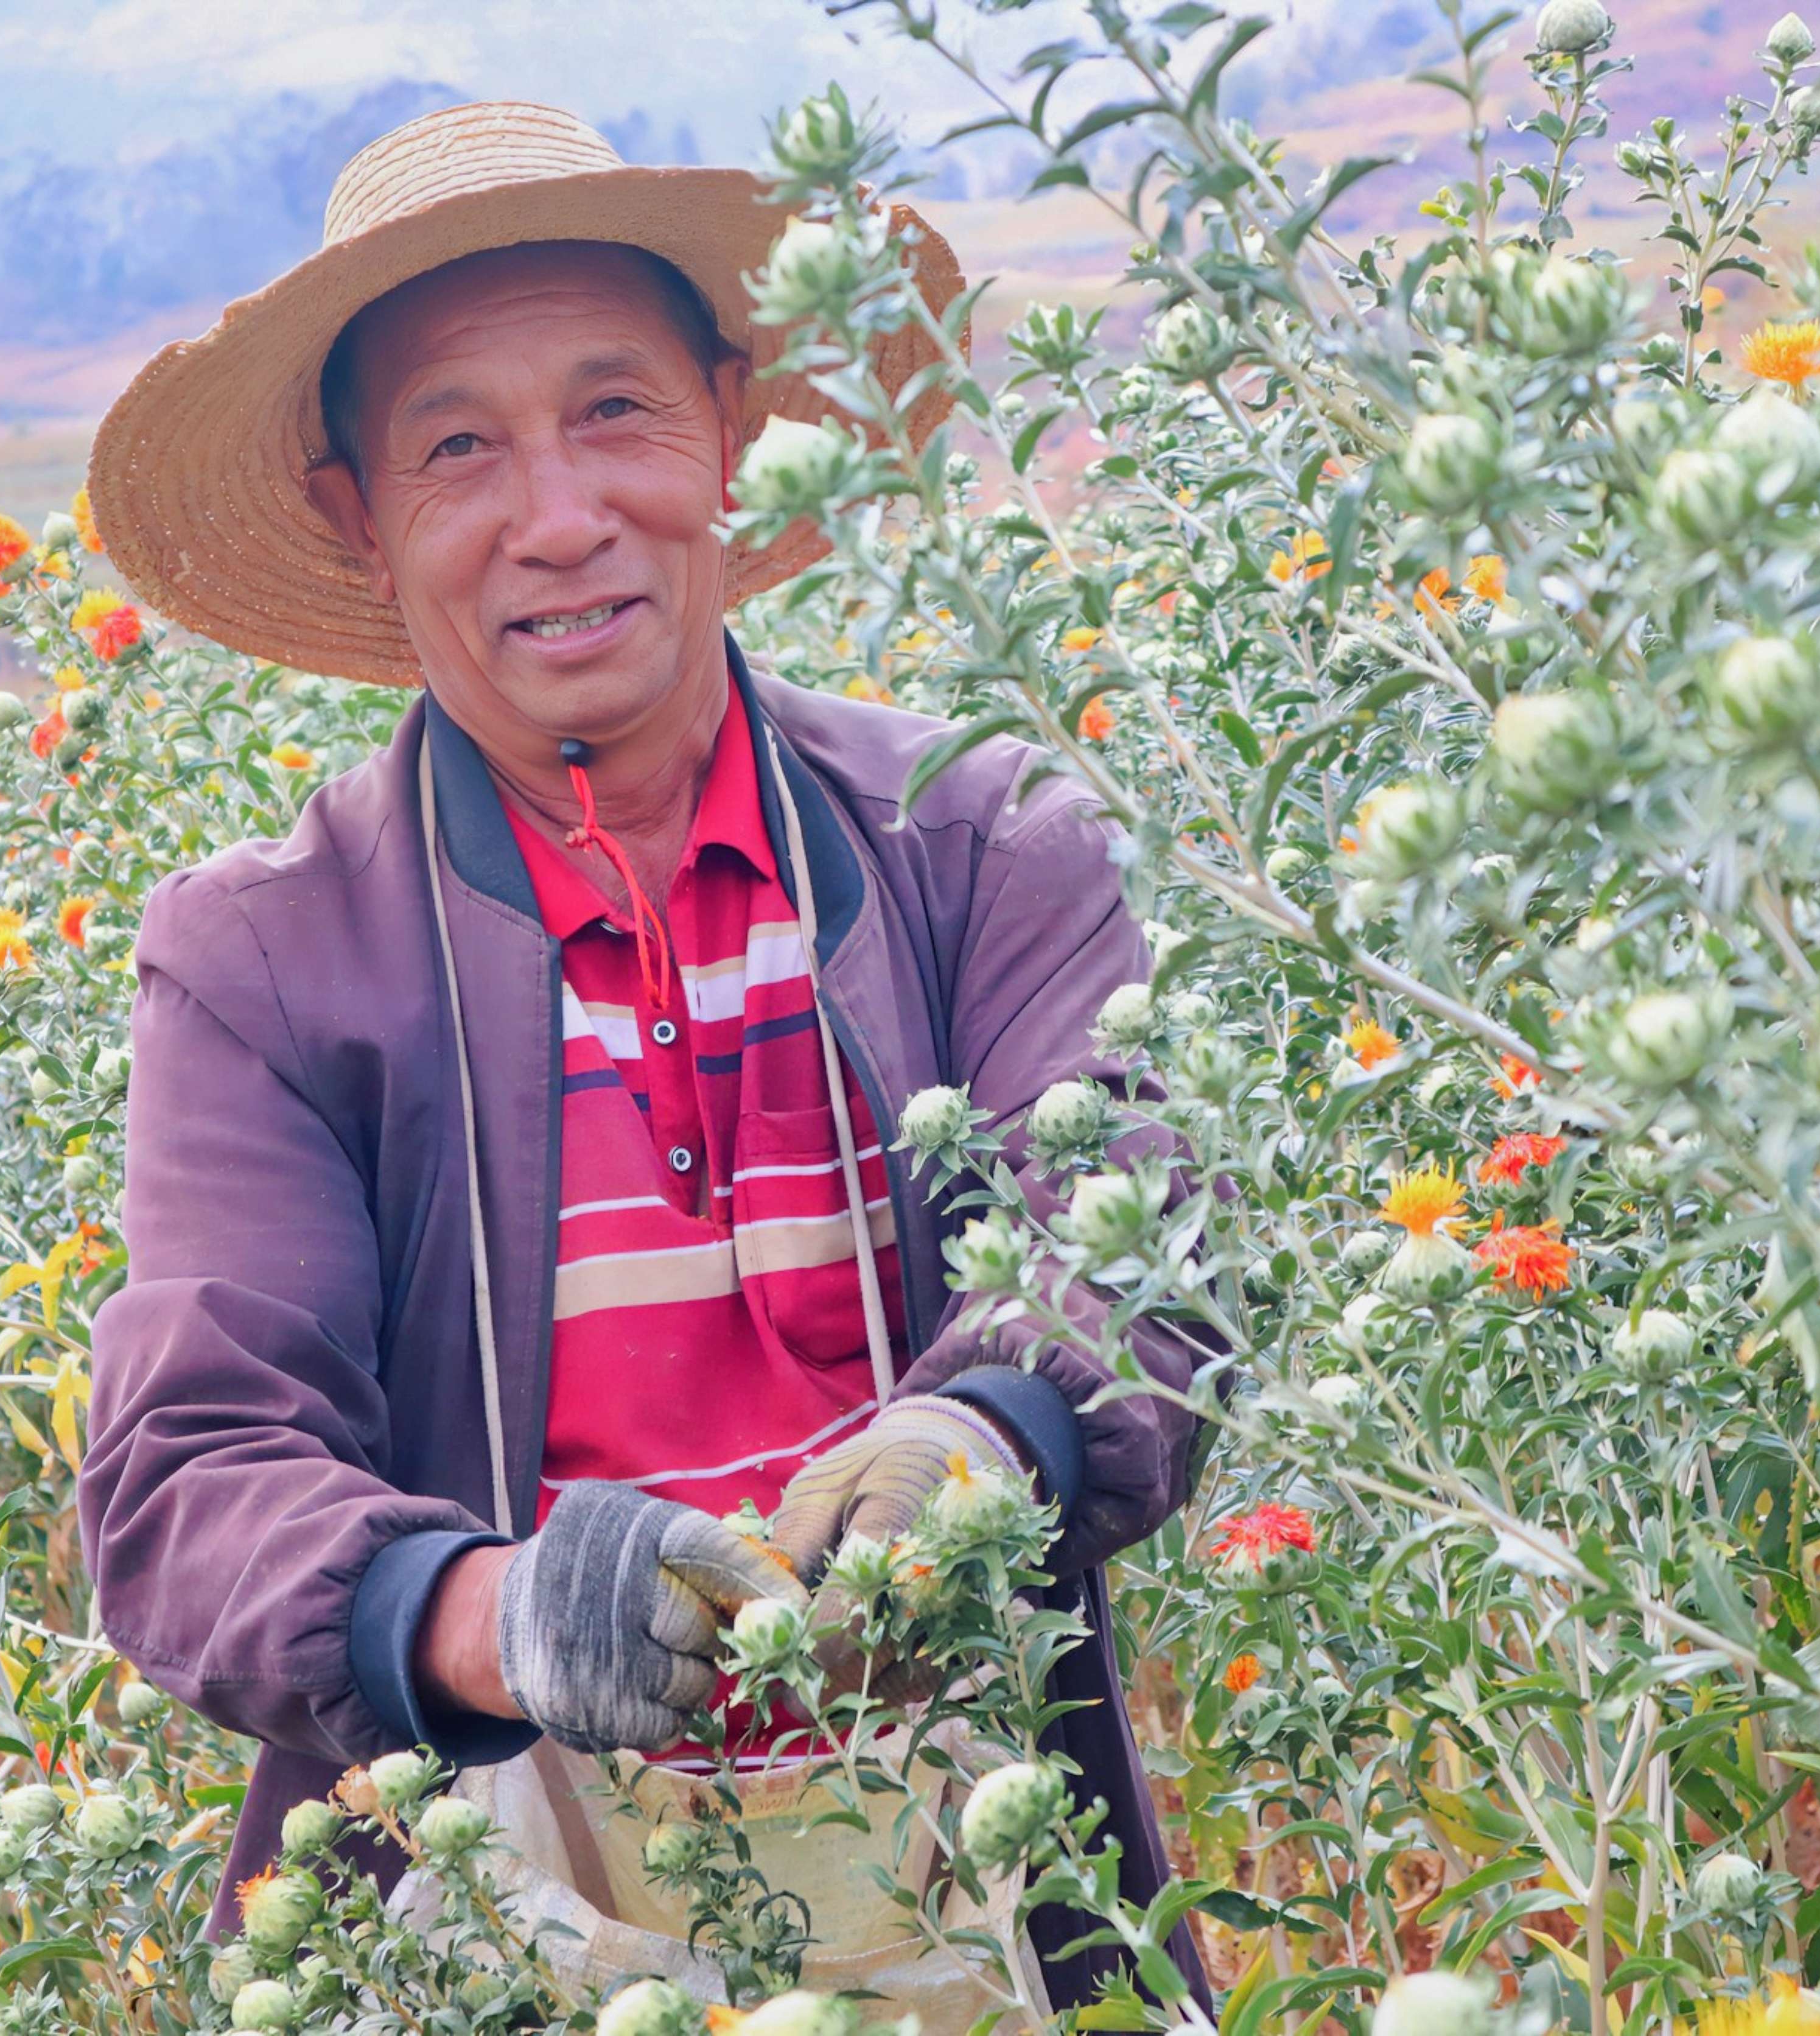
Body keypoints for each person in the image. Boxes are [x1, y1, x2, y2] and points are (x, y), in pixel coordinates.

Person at [76, 99, 1207, 2017]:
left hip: (992, 1870)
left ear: (733, 424)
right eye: (458, 447)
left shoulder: (977, 837)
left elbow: (1142, 1263)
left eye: (617, 411)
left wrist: (972, 1438)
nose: (560, 517)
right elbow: (189, 1475)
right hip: (497, 1913)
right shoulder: (263, 959)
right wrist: (491, 1615)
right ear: (362, 520)